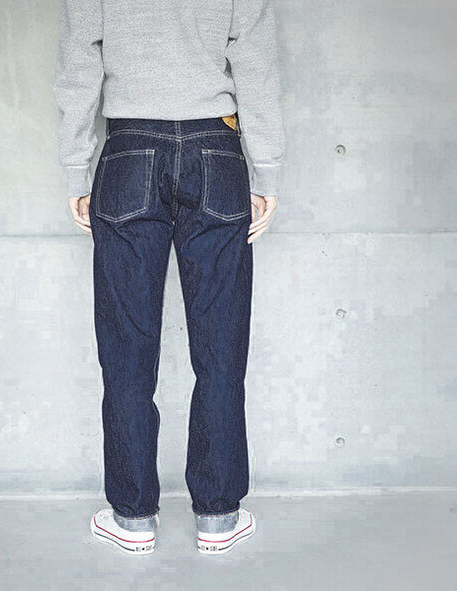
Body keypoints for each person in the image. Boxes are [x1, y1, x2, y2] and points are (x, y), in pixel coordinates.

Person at [53, 0, 285, 555]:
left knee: (126, 347)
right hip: (217, 151)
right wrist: (267, 171)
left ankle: (132, 518)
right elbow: (256, 65)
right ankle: (219, 517)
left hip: (129, 151)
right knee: (221, 346)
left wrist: (76, 169)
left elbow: (78, 65)